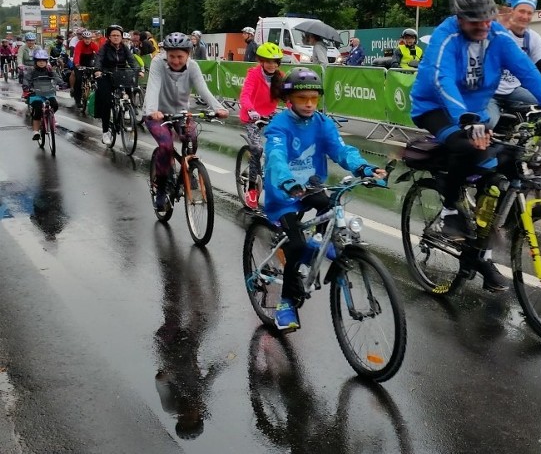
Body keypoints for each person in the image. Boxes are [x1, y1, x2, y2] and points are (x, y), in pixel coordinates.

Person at [410, 0, 541, 293]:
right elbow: (441, 80)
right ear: (459, 19)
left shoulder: (497, 36)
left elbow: (527, 70)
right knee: (465, 146)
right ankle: (449, 209)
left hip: (476, 112)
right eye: (475, 22)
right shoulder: (446, 38)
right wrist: (465, 121)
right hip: (436, 108)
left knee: (502, 168)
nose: (483, 27)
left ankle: (479, 253)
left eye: (488, 20)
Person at [263, 67, 386, 331]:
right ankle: (286, 303)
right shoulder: (278, 126)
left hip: (311, 187)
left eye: (313, 99)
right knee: (295, 246)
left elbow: (341, 151)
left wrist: (364, 168)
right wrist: (287, 181)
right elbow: (275, 158)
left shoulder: (322, 123)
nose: (309, 104)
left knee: (331, 206)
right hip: (284, 193)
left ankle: (318, 245)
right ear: (289, 101)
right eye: (302, 99)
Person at [143, 33, 228, 210]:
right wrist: (152, 110)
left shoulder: (193, 67)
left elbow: (203, 90)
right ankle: (161, 188)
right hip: (156, 113)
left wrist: (217, 108)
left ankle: (187, 171)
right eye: (171, 56)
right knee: (166, 146)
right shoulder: (158, 63)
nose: (175, 60)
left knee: (192, 138)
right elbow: (153, 87)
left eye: (180, 56)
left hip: (181, 112)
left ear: (188, 54)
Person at [239, 42, 285, 209]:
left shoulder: (280, 76)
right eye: (268, 61)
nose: (272, 65)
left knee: (282, 145)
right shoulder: (253, 74)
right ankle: (252, 188)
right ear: (261, 61)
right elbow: (245, 96)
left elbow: (287, 99)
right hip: (252, 116)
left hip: (270, 114)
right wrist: (251, 110)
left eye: (275, 62)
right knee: (257, 150)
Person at [94, 25, 142, 144]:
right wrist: (98, 70)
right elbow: (99, 59)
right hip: (106, 74)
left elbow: (131, 60)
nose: (116, 38)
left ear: (121, 37)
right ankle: (105, 132)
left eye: (118, 35)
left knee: (130, 84)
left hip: (120, 73)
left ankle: (126, 108)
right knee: (106, 102)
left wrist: (138, 69)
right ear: (109, 37)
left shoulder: (124, 48)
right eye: (113, 35)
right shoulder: (104, 48)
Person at [23, 49, 62, 141]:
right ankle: (36, 132)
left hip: (49, 94)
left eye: (43, 61)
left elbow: (57, 77)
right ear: (35, 62)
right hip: (36, 95)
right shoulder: (31, 72)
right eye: (39, 61)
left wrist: (61, 83)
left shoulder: (49, 71)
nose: (41, 63)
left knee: (55, 105)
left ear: (46, 62)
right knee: (37, 110)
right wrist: (26, 87)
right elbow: (26, 80)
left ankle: (49, 117)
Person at [71, 30, 100, 109]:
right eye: (85, 38)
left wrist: (99, 65)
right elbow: (77, 55)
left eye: (89, 38)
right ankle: (77, 99)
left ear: (91, 39)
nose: (87, 40)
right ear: (82, 39)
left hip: (88, 61)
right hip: (79, 62)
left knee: (95, 77)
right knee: (79, 79)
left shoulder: (94, 44)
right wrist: (77, 64)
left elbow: (98, 55)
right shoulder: (79, 44)